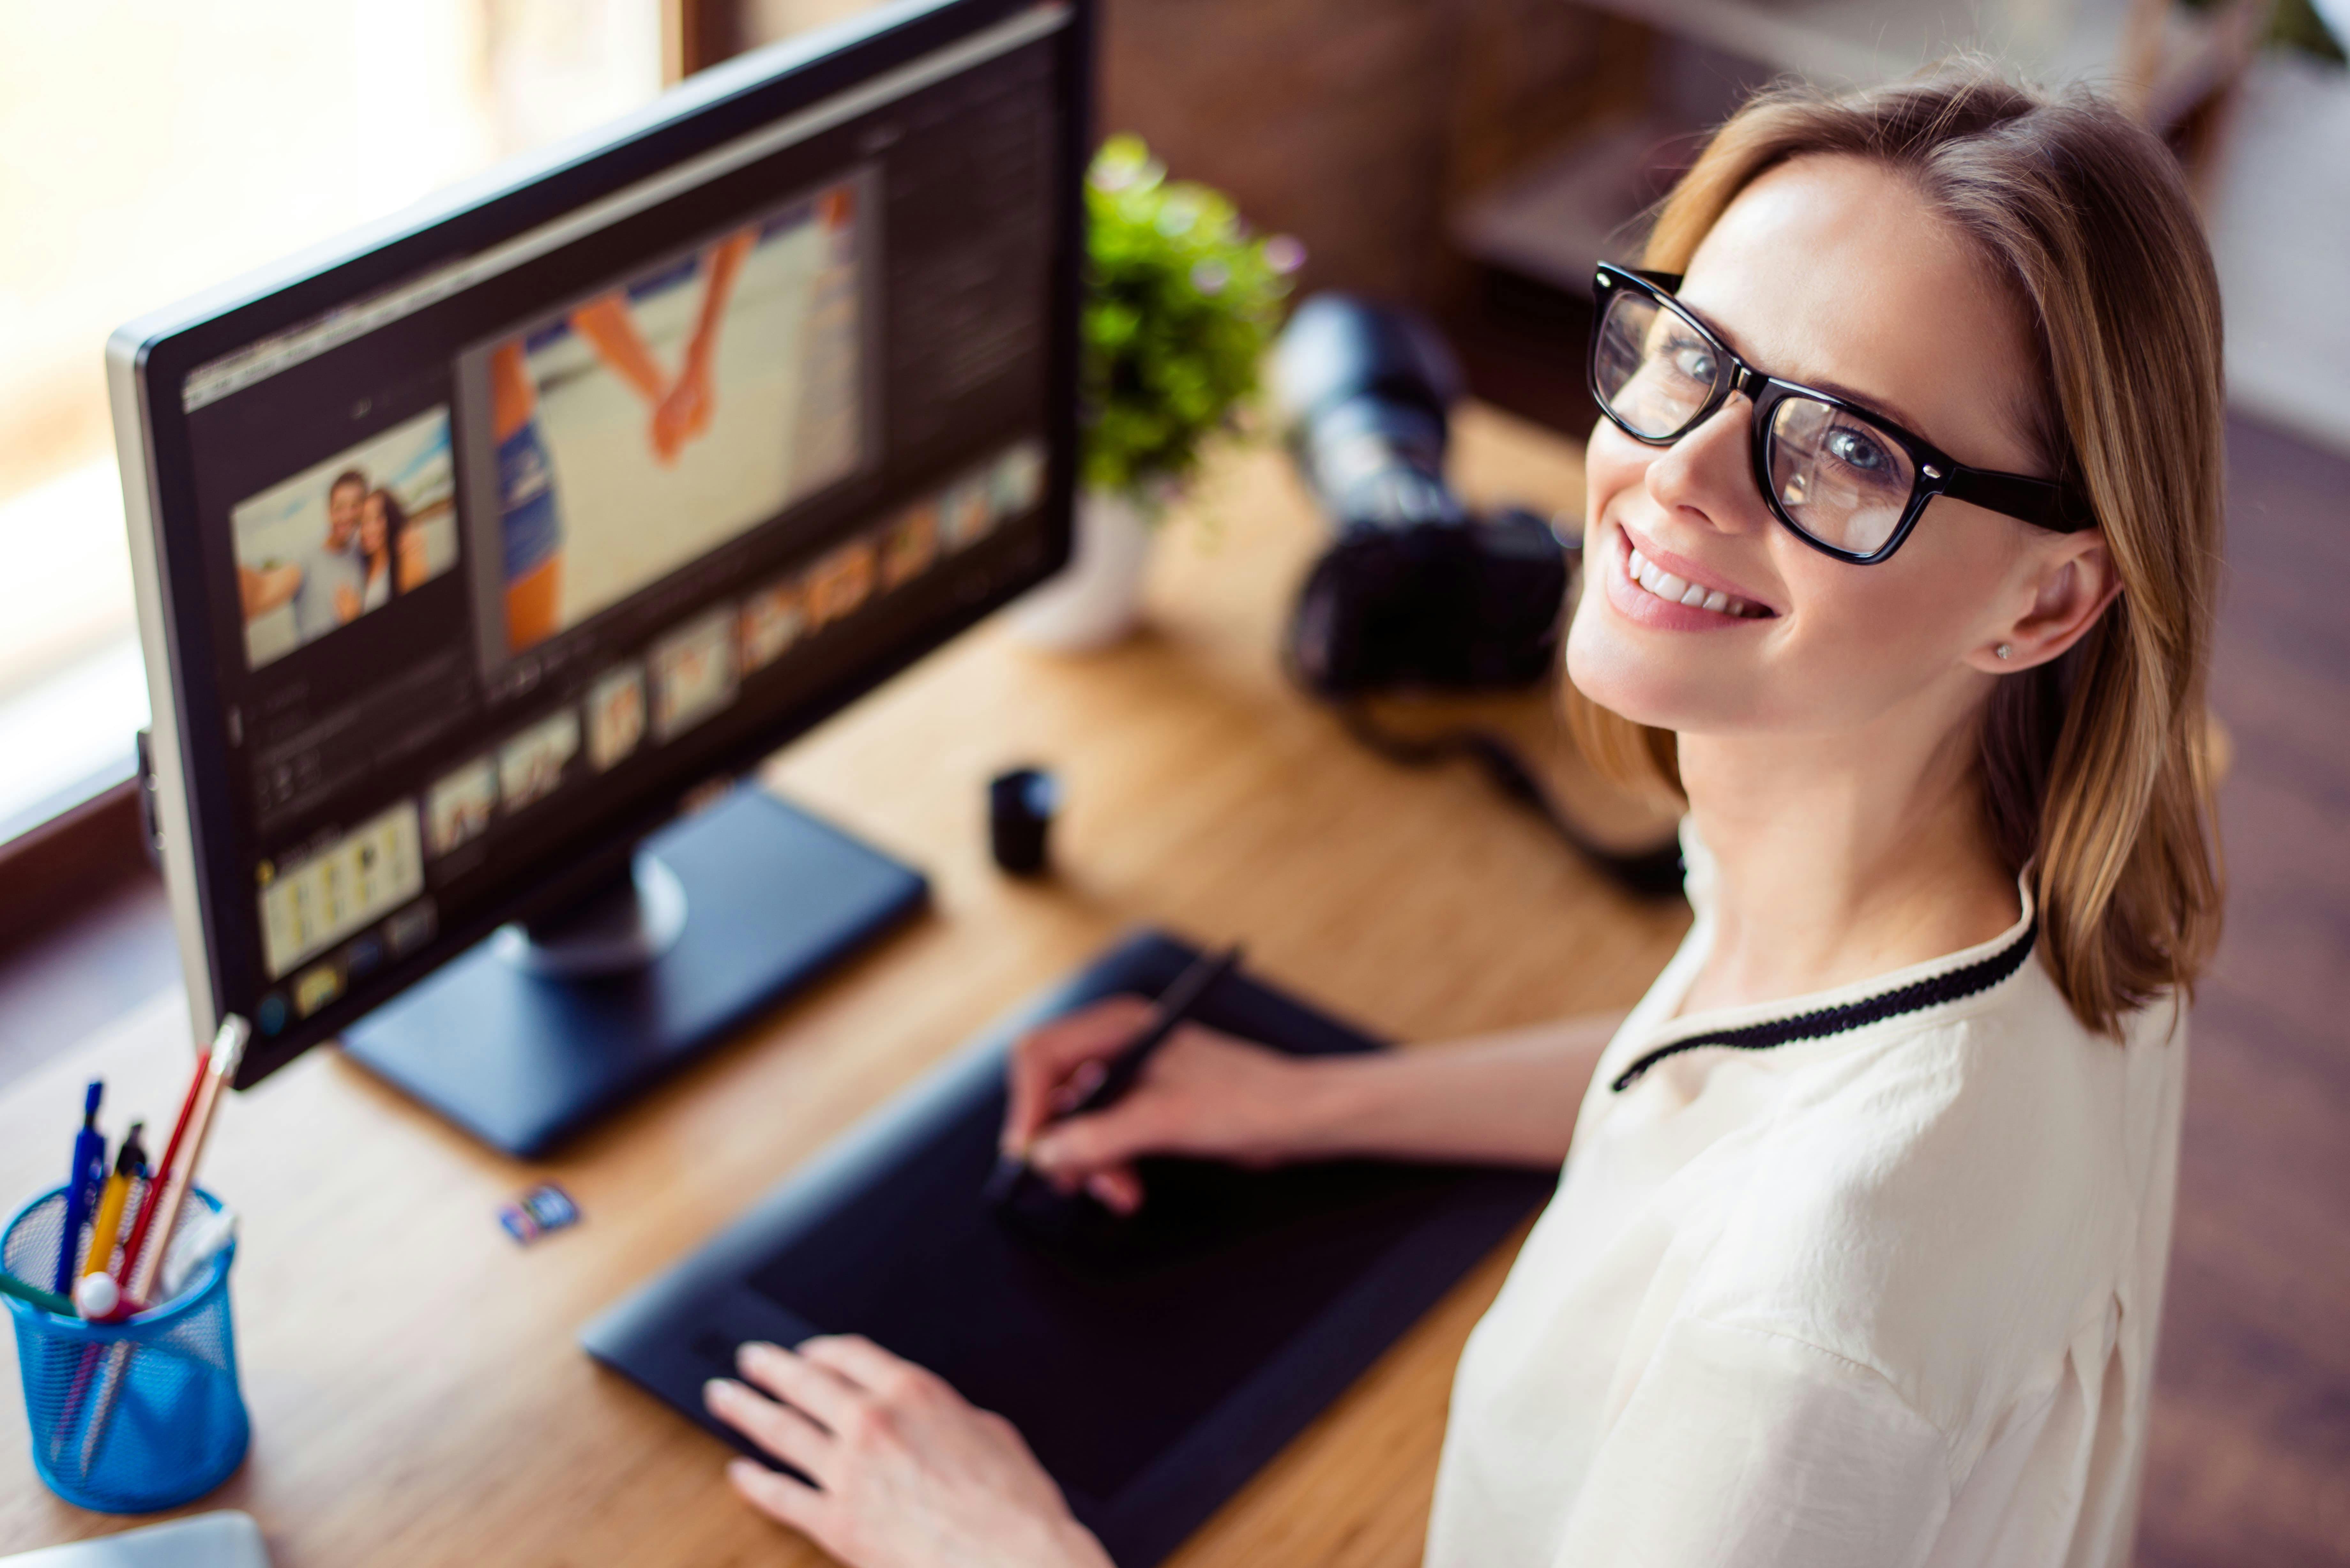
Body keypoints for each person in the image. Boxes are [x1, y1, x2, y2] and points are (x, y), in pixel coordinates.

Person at [702, 64, 2223, 1568]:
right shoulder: (2008, 869)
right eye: (1692, 352)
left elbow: (1793, 1222)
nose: (1673, 470)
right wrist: (1310, 1106)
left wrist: (996, 1543)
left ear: (2044, 598)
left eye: (1845, 450)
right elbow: (1721, 1084)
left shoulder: (1791, 1347)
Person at [491, 227, 757, 654]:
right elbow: (576, 284)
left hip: (509, 471)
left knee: (525, 691)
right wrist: (668, 388)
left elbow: (572, 280)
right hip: (507, 463)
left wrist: (662, 393)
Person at [237, 468, 369, 646]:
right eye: (339, 507)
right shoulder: (306, 558)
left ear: (363, 508)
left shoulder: (363, 550)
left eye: (354, 506)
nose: (346, 515)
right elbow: (263, 590)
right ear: (329, 511)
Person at [356, 487, 403, 613]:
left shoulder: (403, 562)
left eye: (377, 519)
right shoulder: (360, 565)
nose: (367, 530)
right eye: (362, 523)